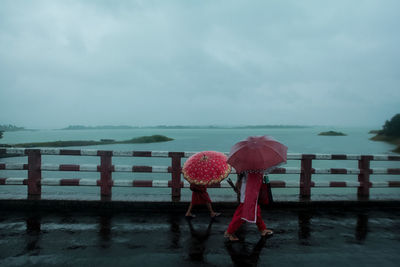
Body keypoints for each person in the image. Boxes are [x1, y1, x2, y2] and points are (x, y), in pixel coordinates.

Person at [224, 172, 273, 241]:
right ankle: (229, 232)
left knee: (256, 211)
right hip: (248, 194)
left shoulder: (248, 167)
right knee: (241, 215)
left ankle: (262, 229)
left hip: (251, 192)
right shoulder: (251, 168)